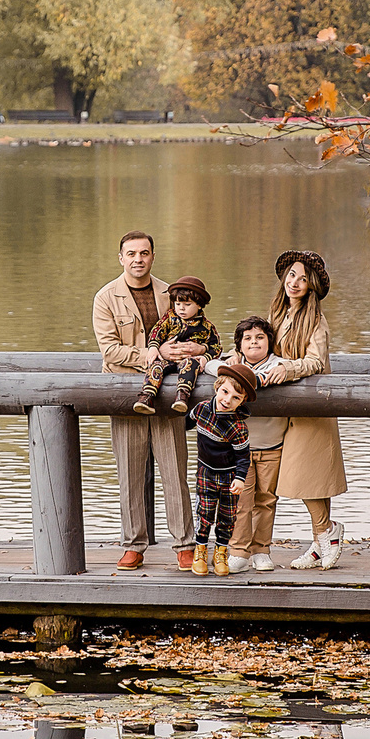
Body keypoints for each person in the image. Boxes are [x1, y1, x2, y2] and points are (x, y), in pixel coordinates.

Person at [91, 230, 200, 570]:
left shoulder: (172, 294)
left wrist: (193, 349)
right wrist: (152, 355)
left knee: (175, 472)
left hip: (168, 396)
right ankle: (134, 545)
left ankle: (184, 545)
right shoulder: (105, 298)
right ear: (121, 258)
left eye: (145, 253)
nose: (138, 259)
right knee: (130, 474)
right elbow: (109, 351)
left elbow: (196, 330)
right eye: (132, 253)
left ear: (153, 256)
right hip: (126, 395)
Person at [264, 250, 347, 569]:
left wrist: (288, 368)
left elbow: (314, 362)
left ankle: (327, 531)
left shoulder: (316, 322)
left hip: (311, 407)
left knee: (306, 476)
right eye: (291, 275)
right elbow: (263, 345)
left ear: (312, 286)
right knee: (310, 479)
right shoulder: (278, 313)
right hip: (288, 408)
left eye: (302, 278)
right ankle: (318, 543)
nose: (295, 282)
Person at [188, 355, 260, 576]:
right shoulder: (201, 410)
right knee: (205, 512)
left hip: (229, 477)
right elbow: (185, 423)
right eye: (225, 392)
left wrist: (240, 478)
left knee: (227, 517)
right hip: (206, 472)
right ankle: (200, 550)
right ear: (217, 387)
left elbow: (243, 457)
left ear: (242, 402)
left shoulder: (238, 427)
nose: (227, 400)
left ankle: (220, 552)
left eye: (236, 398)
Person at [225, 315, 286, 571]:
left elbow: (288, 371)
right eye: (247, 339)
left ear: (269, 342)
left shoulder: (281, 365)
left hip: (272, 444)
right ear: (239, 345)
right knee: (242, 501)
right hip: (240, 449)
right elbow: (209, 368)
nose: (253, 342)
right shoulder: (231, 367)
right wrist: (229, 359)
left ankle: (261, 549)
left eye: (260, 337)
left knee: (266, 500)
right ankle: (238, 550)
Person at [133, 276, 218, 414]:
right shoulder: (170, 318)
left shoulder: (206, 326)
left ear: (199, 305)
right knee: (156, 366)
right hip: (167, 359)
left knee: (190, 365)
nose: (181, 309)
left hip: (188, 359)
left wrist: (205, 356)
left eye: (187, 305)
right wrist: (154, 347)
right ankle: (146, 396)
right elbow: (156, 332)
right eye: (178, 304)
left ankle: (182, 396)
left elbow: (216, 346)